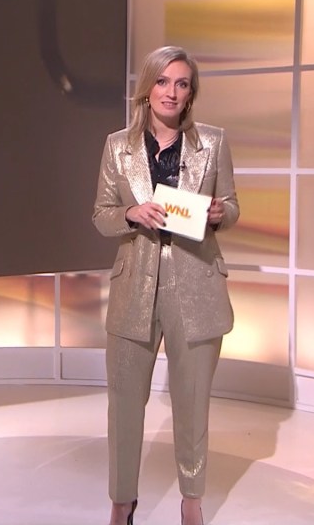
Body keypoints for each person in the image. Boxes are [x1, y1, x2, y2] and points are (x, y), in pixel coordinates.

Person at [92, 45, 238, 525]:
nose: (171, 92)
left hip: (196, 286)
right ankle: (121, 503)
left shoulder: (213, 142)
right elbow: (101, 215)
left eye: (181, 83)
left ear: (190, 92)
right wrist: (132, 212)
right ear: (147, 88)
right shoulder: (117, 146)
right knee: (123, 405)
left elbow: (232, 205)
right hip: (134, 287)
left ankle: (192, 502)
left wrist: (220, 213)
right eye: (162, 81)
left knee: (192, 403)